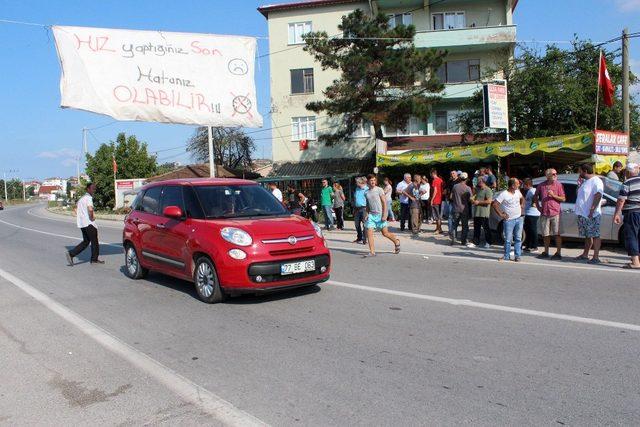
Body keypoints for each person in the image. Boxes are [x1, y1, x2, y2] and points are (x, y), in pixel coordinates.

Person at [66, 183, 103, 265]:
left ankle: (71, 254)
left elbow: (75, 208)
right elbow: (90, 209)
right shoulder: (88, 198)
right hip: (89, 223)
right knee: (94, 241)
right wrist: (92, 217)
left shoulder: (81, 199)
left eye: (94, 188)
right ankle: (94, 259)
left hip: (82, 224)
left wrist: (81, 217)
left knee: (86, 241)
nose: (94, 190)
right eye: (93, 188)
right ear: (88, 189)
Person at [363, 174, 401, 257]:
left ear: (375, 181)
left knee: (385, 233)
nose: (372, 181)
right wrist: (366, 214)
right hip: (371, 216)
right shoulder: (366, 192)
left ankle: (396, 242)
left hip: (380, 215)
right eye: (371, 180)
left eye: (374, 180)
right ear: (368, 182)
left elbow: (384, 202)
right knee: (369, 233)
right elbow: (367, 205)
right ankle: (372, 252)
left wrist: (385, 215)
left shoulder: (379, 190)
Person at [574, 164, 604, 264]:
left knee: (595, 235)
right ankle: (585, 254)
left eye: (580, 171)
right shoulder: (585, 182)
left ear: (585, 171)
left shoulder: (596, 181)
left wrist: (592, 210)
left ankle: (596, 257)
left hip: (592, 214)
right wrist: (579, 184)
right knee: (588, 235)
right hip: (584, 214)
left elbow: (598, 195)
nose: (579, 173)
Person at [533, 168, 565, 260]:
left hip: (556, 213)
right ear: (548, 176)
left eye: (556, 174)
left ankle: (558, 253)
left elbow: (563, 198)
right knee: (545, 234)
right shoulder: (541, 185)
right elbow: (535, 196)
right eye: (553, 174)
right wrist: (538, 207)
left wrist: (554, 195)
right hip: (545, 212)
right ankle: (546, 252)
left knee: (557, 234)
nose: (555, 175)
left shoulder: (559, 185)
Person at [614, 163, 640, 269]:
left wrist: (617, 213)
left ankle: (635, 262)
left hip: (632, 212)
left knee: (631, 236)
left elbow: (621, 199)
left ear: (628, 172)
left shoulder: (627, 182)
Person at [492, 178, 525, 262]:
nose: (519, 185)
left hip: (519, 218)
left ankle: (517, 256)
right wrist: (501, 214)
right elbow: (495, 204)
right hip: (509, 220)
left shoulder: (517, 192)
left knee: (518, 238)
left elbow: (522, 198)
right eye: (517, 184)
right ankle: (506, 255)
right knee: (508, 239)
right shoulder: (504, 194)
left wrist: (521, 204)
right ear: (513, 186)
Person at [450, 172, 472, 246]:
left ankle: (453, 240)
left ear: (460, 178)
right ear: (466, 179)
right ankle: (463, 241)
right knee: (464, 226)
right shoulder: (468, 188)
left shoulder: (455, 186)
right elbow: (470, 199)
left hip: (456, 208)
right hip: (464, 209)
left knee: (454, 225)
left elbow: (451, 197)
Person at [472, 176, 493, 248]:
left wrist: (479, 202)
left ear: (482, 181)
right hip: (477, 212)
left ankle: (489, 242)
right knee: (476, 228)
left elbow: (489, 201)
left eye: (478, 180)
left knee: (486, 228)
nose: (477, 182)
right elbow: (474, 198)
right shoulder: (477, 189)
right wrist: (472, 200)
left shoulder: (488, 190)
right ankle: (475, 242)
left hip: (484, 213)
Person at [522, 178, 540, 253]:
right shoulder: (529, 191)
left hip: (533, 213)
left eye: (524, 185)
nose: (523, 187)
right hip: (529, 213)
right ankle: (528, 246)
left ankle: (534, 246)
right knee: (528, 230)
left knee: (533, 230)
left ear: (528, 185)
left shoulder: (532, 190)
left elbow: (535, 196)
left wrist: (533, 202)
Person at [353, 177, 368, 244]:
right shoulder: (357, 189)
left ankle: (365, 239)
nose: (356, 183)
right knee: (357, 224)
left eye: (356, 182)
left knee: (365, 224)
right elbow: (355, 198)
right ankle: (359, 238)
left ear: (360, 182)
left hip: (364, 208)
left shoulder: (367, 189)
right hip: (357, 208)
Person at [444, 170, 459, 236]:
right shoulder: (450, 181)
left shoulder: (459, 181)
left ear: (456, 174)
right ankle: (450, 231)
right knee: (450, 216)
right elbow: (447, 189)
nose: (452, 174)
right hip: (451, 201)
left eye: (453, 173)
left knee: (456, 217)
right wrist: (447, 195)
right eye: (451, 173)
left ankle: (454, 230)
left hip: (458, 201)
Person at [430, 169, 444, 234]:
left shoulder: (435, 180)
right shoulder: (441, 180)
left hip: (436, 200)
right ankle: (439, 228)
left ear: (433, 173)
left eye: (431, 174)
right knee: (438, 215)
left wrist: (432, 199)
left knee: (436, 216)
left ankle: (438, 230)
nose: (430, 175)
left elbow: (435, 191)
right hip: (440, 199)